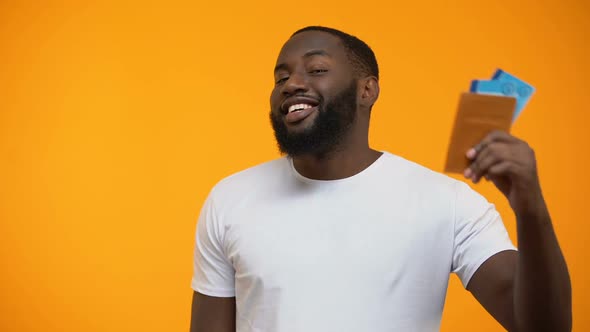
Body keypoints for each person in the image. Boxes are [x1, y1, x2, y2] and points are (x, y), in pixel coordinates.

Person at [189, 26, 571, 332]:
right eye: (281, 76)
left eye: (317, 69)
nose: (291, 84)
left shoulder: (448, 203)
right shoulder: (230, 200)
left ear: (367, 90)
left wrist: (530, 209)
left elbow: (544, 327)